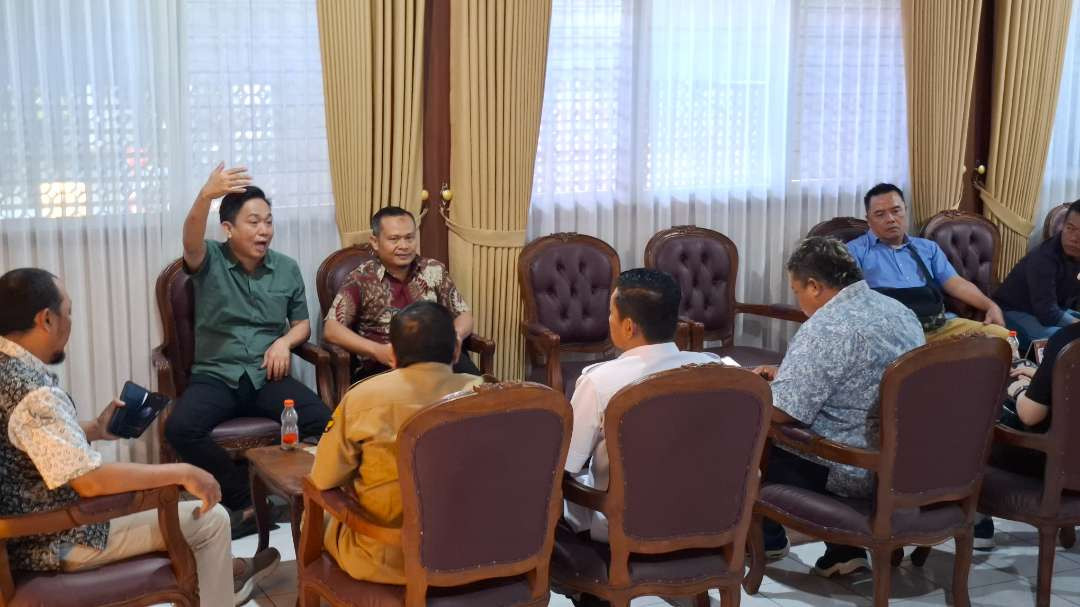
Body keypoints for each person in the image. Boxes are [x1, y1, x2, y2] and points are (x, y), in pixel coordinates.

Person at [0, 268, 278, 606]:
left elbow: (29, 440)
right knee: (212, 520)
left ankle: (215, 585)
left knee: (184, 510)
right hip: (55, 539)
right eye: (68, 312)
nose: (70, 322)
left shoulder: (8, 368)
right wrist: (183, 472)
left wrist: (93, 429)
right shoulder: (33, 390)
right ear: (46, 319)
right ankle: (219, 594)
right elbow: (89, 482)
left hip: (32, 527)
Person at [165, 164, 331, 537]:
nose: (264, 231)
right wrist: (207, 195)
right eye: (254, 222)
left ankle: (304, 496)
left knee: (327, 423)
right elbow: (189, 239)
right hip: (216, 375)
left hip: (266, 375)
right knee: (180, 428)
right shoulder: (208, 260)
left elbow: (301, 323)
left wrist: (284, 342)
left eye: (268, 222)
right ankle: (242, 500)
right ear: (228, 228)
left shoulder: (286, 268)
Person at [752, 237, 924, 577]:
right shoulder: (899, 312)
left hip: (851, 468)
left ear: (814, 286)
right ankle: (843, 553)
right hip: (906, 461)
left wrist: (751, 390)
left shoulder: (828, 326)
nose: (798, 301)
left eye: (796, 290)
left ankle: (767, 540)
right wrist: (787, 375)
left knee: (750, 428)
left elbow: (785, 411)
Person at [310, 300, 482, 583]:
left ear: (392, 355)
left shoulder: (363, 399)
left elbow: (324, 479)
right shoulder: (487, 392)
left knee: (312, 510)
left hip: (391, 559)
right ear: (456, 350)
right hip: (479, 553)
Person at [564, 268, 728, 543]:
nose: (608, 320)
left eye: (610, 313)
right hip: (706, 520)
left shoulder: (600, 382)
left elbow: (567, 462)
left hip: (625, 529)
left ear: (628, 326)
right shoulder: (715, 369)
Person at [323, 206, 479, 382]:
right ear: (375, 241)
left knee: (482, 394)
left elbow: (464, 314)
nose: (404, 246)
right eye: (394, 239)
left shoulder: (433, 269)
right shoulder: (361, 278)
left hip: (438, 359)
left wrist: (455, 336)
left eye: (409, 238)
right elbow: (331, 329)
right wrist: (377, 351)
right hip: (387, 365)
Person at [847, 183, 1012, 348]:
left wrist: (990, 305)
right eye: (880, 214)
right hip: (891, 335)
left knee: (1003, 338)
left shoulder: (927, 248)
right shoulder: (855, 252)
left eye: (896, 211)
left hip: (937, 326)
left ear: (905, 210)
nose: (890, 219)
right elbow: (850, 301)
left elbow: (956, 284)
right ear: (868, 220)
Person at [993, 200, 1080, 352]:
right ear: (1063, 225)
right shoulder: (1043, 258)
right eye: (1070, 228)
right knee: (1066, 342)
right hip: (1014, 312)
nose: (1074, 238)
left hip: (1055, 308)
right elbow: (1047, 313)